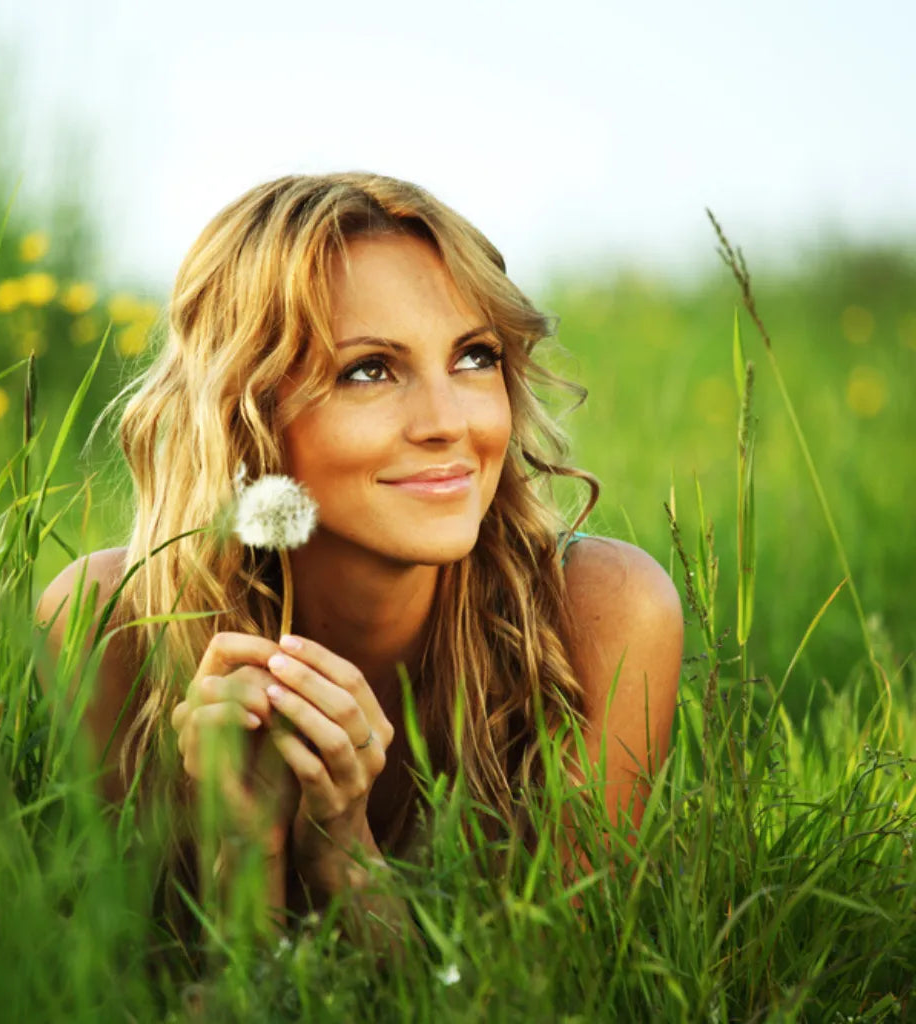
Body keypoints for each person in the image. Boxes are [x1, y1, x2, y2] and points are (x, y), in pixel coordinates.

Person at [35, 172, 683, 947]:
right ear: (247, 412)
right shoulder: (110, 627)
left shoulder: (599, 613)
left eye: (474, 358)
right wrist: (244, 853)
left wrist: (344, 853)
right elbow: (132, 990)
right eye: (369, 370)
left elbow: (559, 990)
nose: (448, 422)